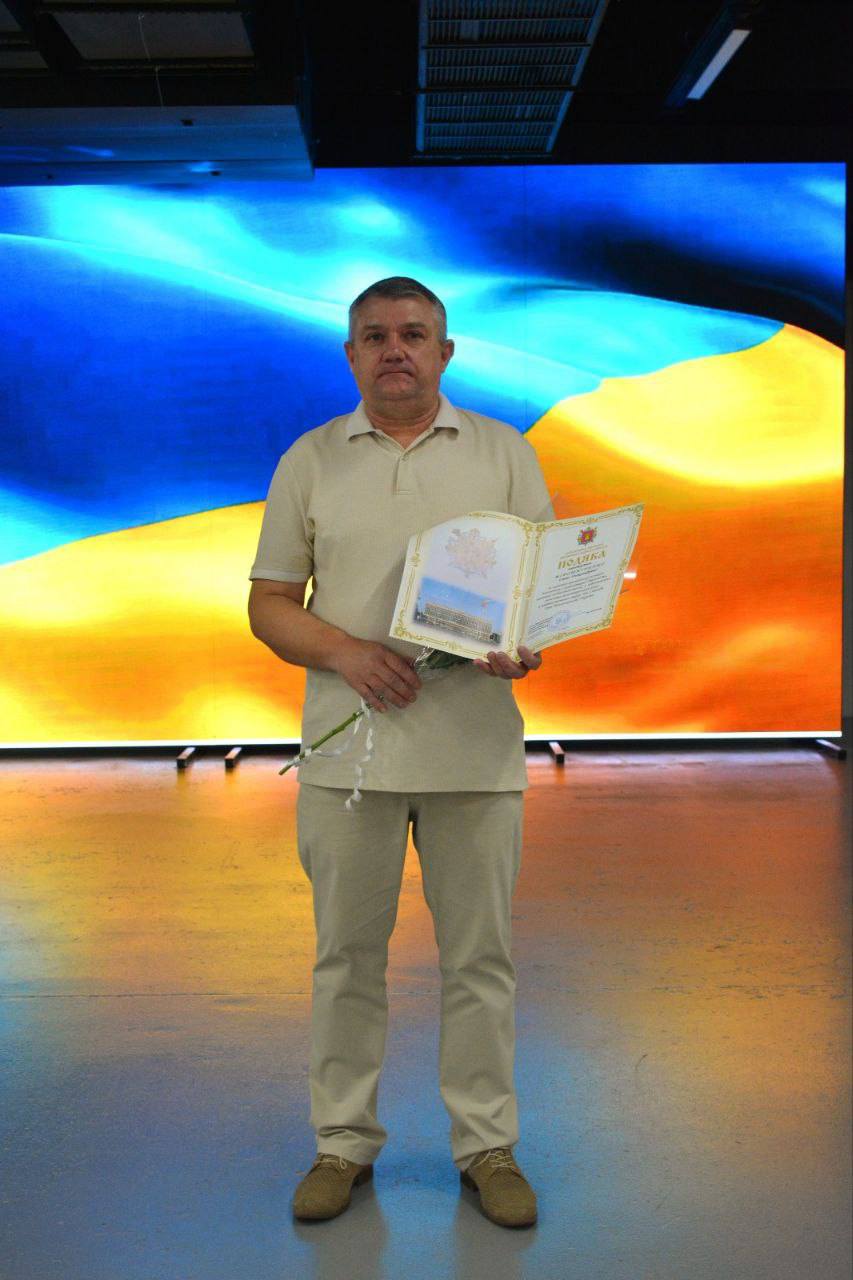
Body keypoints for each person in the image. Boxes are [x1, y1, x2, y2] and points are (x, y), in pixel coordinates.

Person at [248, 276, 553, 1229]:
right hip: (349, 766)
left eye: (414, 334)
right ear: (351, 356)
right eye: (375, 335)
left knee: (480, 962)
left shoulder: (505, 454)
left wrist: (525, 645)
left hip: (475, 758)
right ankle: (341, 1145)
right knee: (345, 960)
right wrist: (346, 654)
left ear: (444, 352)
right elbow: (268, 603)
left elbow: (539, 600)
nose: (395, 349)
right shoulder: (310, 460)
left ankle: (487, 1148)